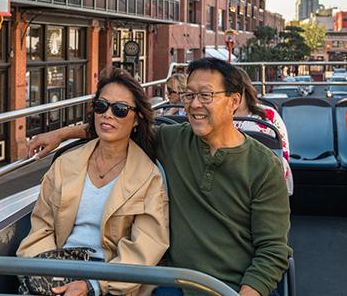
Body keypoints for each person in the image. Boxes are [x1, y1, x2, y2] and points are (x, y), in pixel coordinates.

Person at [28, 58, 291, 296]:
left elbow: (273, 250)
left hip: (233, 287)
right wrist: (61, 135)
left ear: (234, 100)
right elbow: (116, 124)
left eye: (206, 95)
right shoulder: (173, 140)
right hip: (177, 282)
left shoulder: (264, 166)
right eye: (189, 95)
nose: (194, 104)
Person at [18, 68, 169, 296]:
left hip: (111, 277)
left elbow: (145, 247)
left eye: (120, 110)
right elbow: (41, 227)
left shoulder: (149, 178)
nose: (108, 115)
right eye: (101, 106)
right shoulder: (65, 165)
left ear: (137, 119)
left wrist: (93, 285)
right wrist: (48, 274)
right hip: (57, 265)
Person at [234, 68, 293, 195]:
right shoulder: (219, 117)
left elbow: (284, 151)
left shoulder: (268, 115)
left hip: (266, 175)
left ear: (244, 88)